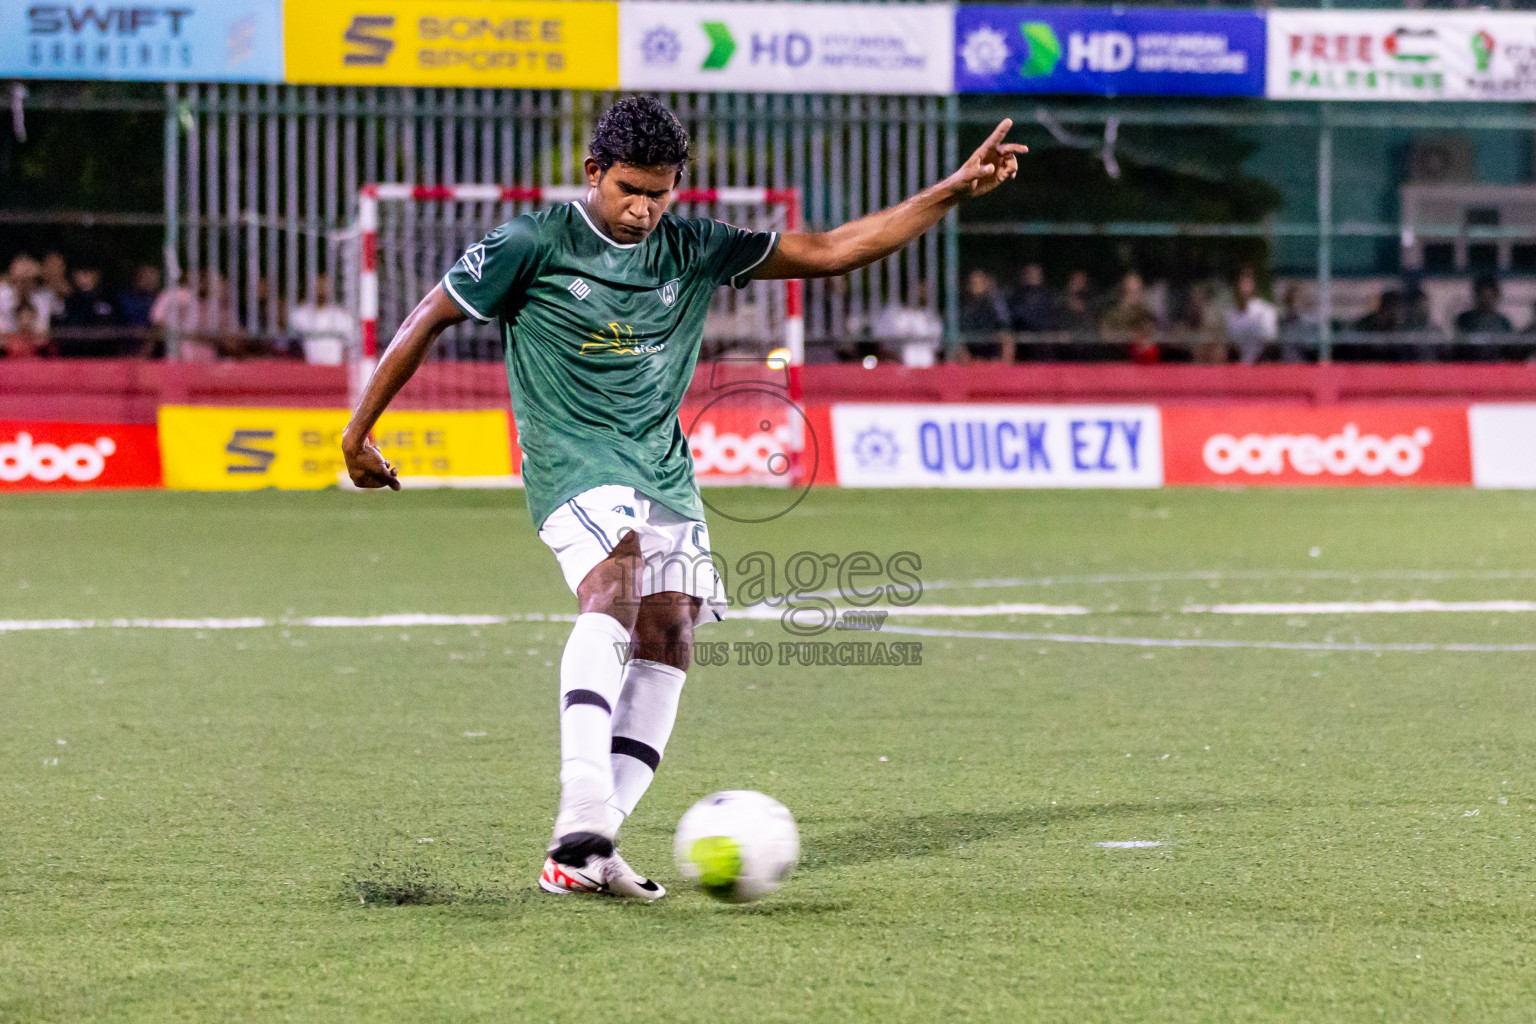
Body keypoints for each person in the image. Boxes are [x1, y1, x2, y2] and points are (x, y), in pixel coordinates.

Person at [340, 97, 1026, 899]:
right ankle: (582, 799)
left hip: (661, 465)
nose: (645, 208)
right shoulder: (531, 242)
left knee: (672, 631)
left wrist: (948, 191)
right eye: (630, 189)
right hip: (571, 455)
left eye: (662, 192)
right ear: (594, 173)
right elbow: (428, 317)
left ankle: (585, 854)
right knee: (617, 581)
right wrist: (357, 435)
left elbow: (837, 249)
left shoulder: (694, 246)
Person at [871, 282, 944, 368]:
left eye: (923, 290)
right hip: (897, 366)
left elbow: (937, 346)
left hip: (927, 367)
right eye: (918, 290)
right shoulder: (892, 312)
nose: (921, 293)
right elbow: (881, 343)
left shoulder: (930, 315)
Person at [288, 273, 354, 365]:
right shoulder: (299, 315)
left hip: (334, 369)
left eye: (324, 285)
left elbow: (349, 347)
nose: (321, 288)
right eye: (317, 285)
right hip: (308, 370)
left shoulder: (342, 317)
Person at [57, 264, 119, 357]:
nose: (85, 276)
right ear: (74, 275)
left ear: (97, 275)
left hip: (102, 354)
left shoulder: (108, 298)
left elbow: (114, 324)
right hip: (73, 354)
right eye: (80, 272)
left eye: (88, 273)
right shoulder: (68, 300)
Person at [1101, 270, 1158, 364]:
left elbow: (1151, 333)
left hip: (1141, 362)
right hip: (1117, 360)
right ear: (1124, 291)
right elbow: (1105, 335)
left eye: (1138, 290)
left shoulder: (1145, 311)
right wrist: (1128, 337)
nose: (1136, 295)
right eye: (1131, 291)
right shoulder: (1113, 314)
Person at [1223, 266, 1277, 365]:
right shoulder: (1230, 312)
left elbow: (1270, 341)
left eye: (1248, 279)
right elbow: (1228, 342)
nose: (1245, 284)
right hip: (1236, 366)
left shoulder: (1266, 310)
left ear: (1255, 283)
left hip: (1260, 366)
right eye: (1242, 280)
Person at [957, 268, 1012, 362]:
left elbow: (1007, 337)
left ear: (986, 284)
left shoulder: (996, 307)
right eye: (972, 283)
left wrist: (1004, 364)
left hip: (993, 359)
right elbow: (958, 338)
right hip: (972, 361)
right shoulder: (964, 309)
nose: (975, 286)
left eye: (978, 282)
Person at [1454, 274, 1513, 361]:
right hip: (1470, 366)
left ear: (1496, 296)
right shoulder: (1464, 320)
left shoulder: (1504, 322)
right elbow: (1458, 349)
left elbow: (1510, 351)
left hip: (1497, 367)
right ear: (1476, 295)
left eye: (1490, 296)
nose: (1486, 300)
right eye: (1482, 295)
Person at [0, 254, 55, 335]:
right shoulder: (3, 292)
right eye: (21, 266)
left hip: (36, 342)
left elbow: (42, 329)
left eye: (27, 268)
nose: (25, 272)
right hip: (7, 342)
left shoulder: (45, 295)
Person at [1277, 282, 1318, 364]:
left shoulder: (1307, 321)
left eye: (1297, 300)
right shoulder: (1283, 322)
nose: (1294, 305)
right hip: (1287, 366)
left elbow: (1312, 347)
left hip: (1302, 367)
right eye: (1291, 302)